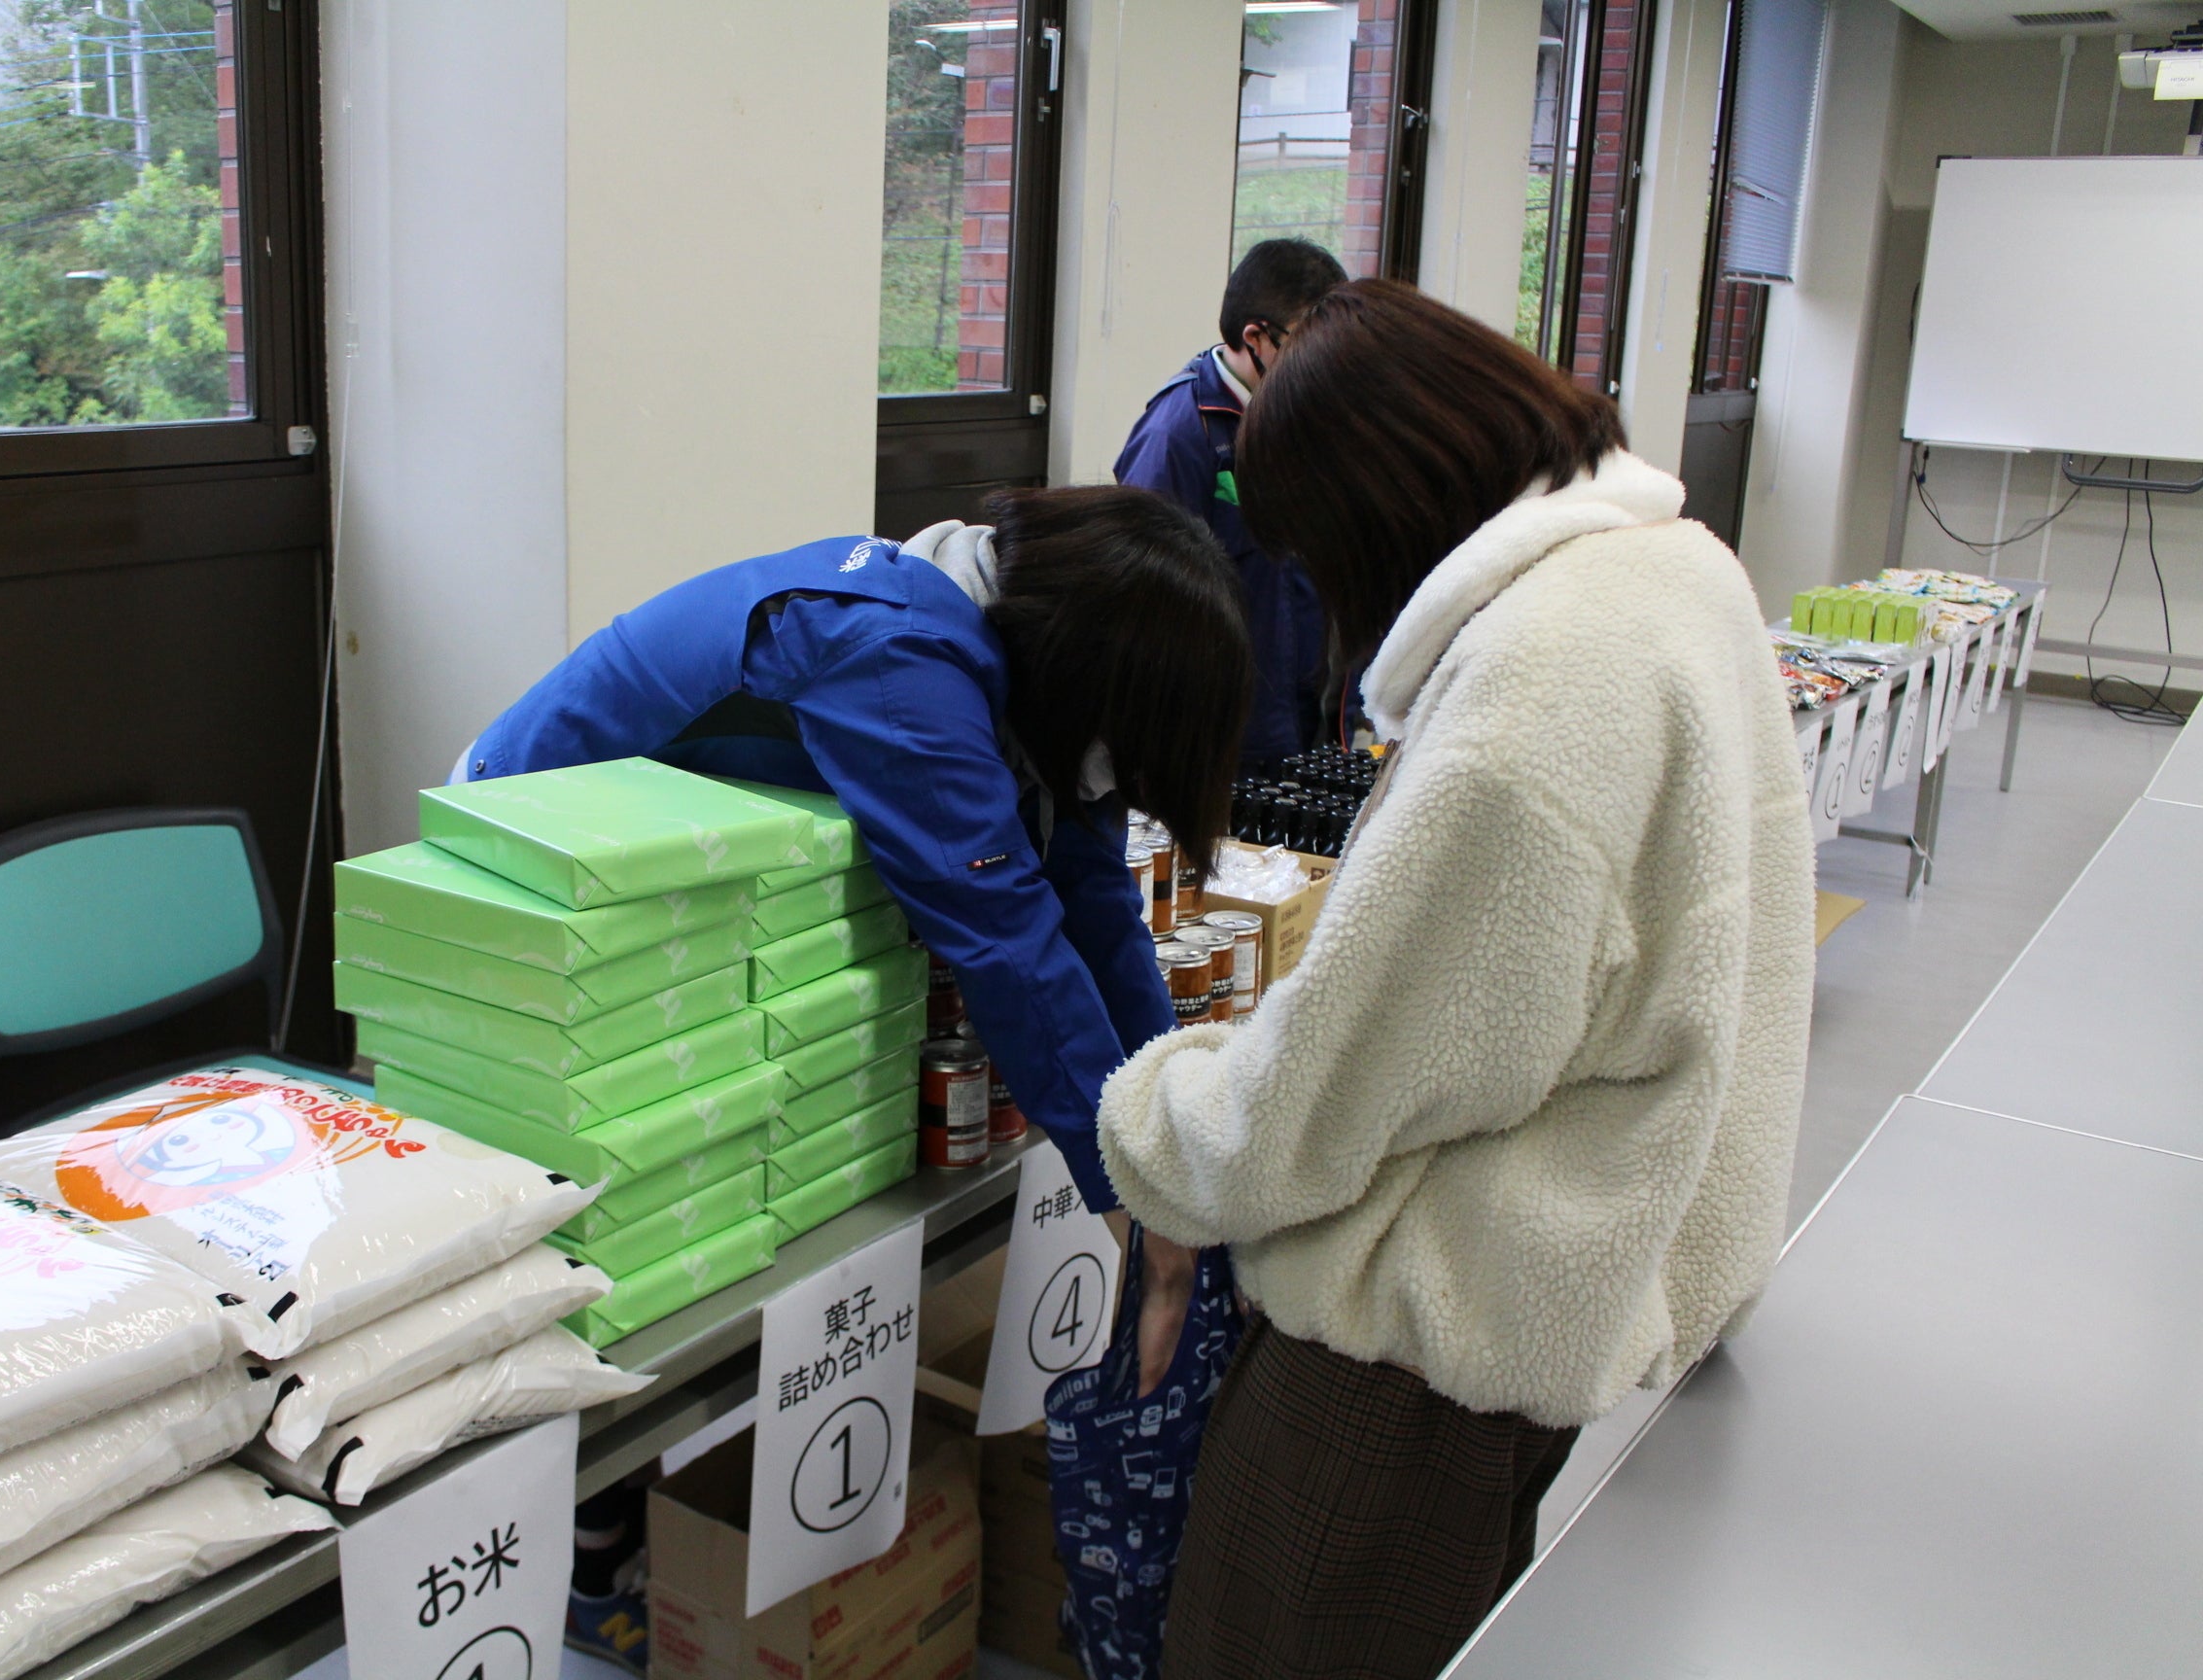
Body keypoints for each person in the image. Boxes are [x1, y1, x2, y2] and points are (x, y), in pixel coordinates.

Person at [1096, 281, 1815, 1680]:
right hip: (1565, 1286)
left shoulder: (1534, 692)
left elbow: (1333, 1091)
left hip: (1411, 1360)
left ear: (1378, 509)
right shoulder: (1676, 569)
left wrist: (1152, 1123)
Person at [458, 486, 1248, 1215]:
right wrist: (1130, 1195)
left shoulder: (1036, 656)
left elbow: (1097, 901)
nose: (1119, 783)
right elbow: (1009, 939)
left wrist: (1177, 1116)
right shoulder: (898, 657)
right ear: (1086, 675)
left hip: (680, 875)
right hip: (524, 840)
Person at [1114, 236, 1347, 767]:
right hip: (1222, 735)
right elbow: (1142, 607)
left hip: (1303, 717)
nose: (1326, 363)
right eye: (1310, 344)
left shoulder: (1305, 416)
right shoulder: (1178, 435)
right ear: (1255, 338)